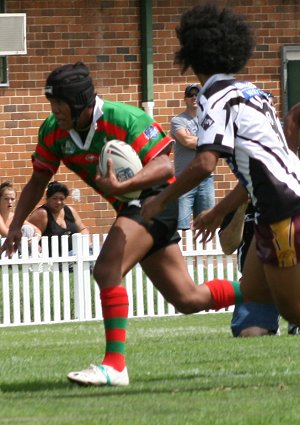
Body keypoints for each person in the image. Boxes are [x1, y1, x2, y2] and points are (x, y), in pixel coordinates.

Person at [0, 62, 247, 387]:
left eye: (59, 106)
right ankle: (271, 290)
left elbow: (163, 165)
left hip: (156, 201)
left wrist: (119, 190)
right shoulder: (53, 131)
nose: (54, 112)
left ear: (81, 104)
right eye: (52, 105)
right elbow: (38, 179)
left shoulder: (125, 119)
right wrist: (16, 224)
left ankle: (114, 365)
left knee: (106, 270)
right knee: (189, 299)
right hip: (133, 210)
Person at [141, 4, 300, 331]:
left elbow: (204, 163)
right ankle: (193, 301)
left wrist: (160, 200)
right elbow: (259, 167)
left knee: (293, 310)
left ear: (191, 53)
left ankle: (190, 300)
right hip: (281, 198)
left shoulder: (212, 95)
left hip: (282, 206)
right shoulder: (250, 90)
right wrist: (218, 212)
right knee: (255, 290)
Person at [219, 201, 280, 337]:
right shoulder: (236, 200)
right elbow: (228, 247)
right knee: (249, 333)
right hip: (258, 283)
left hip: (293, 276)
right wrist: (241, 209)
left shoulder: (292, 190)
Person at [171, 84, 215, 230]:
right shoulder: (178, 120)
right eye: (190, 95)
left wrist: (198, 139)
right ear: (185, 99)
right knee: (181, 225)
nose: (194, 98)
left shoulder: (209, 119)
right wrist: (207, 140)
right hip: (185, 178)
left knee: (206, 222)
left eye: (197, 95)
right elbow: (186, 141)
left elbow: (216, 141)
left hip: (206, 178)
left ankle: (201, 253)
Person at [28, 181, 89, 256]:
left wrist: (86, 243)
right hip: (51, 258)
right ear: (47, 199)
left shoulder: (70, 211)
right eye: (54, 198)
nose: (58, 202)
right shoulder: (42, 214)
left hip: (75, 254)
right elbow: (31, 235)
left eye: (62, 199)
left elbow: (82, 229)